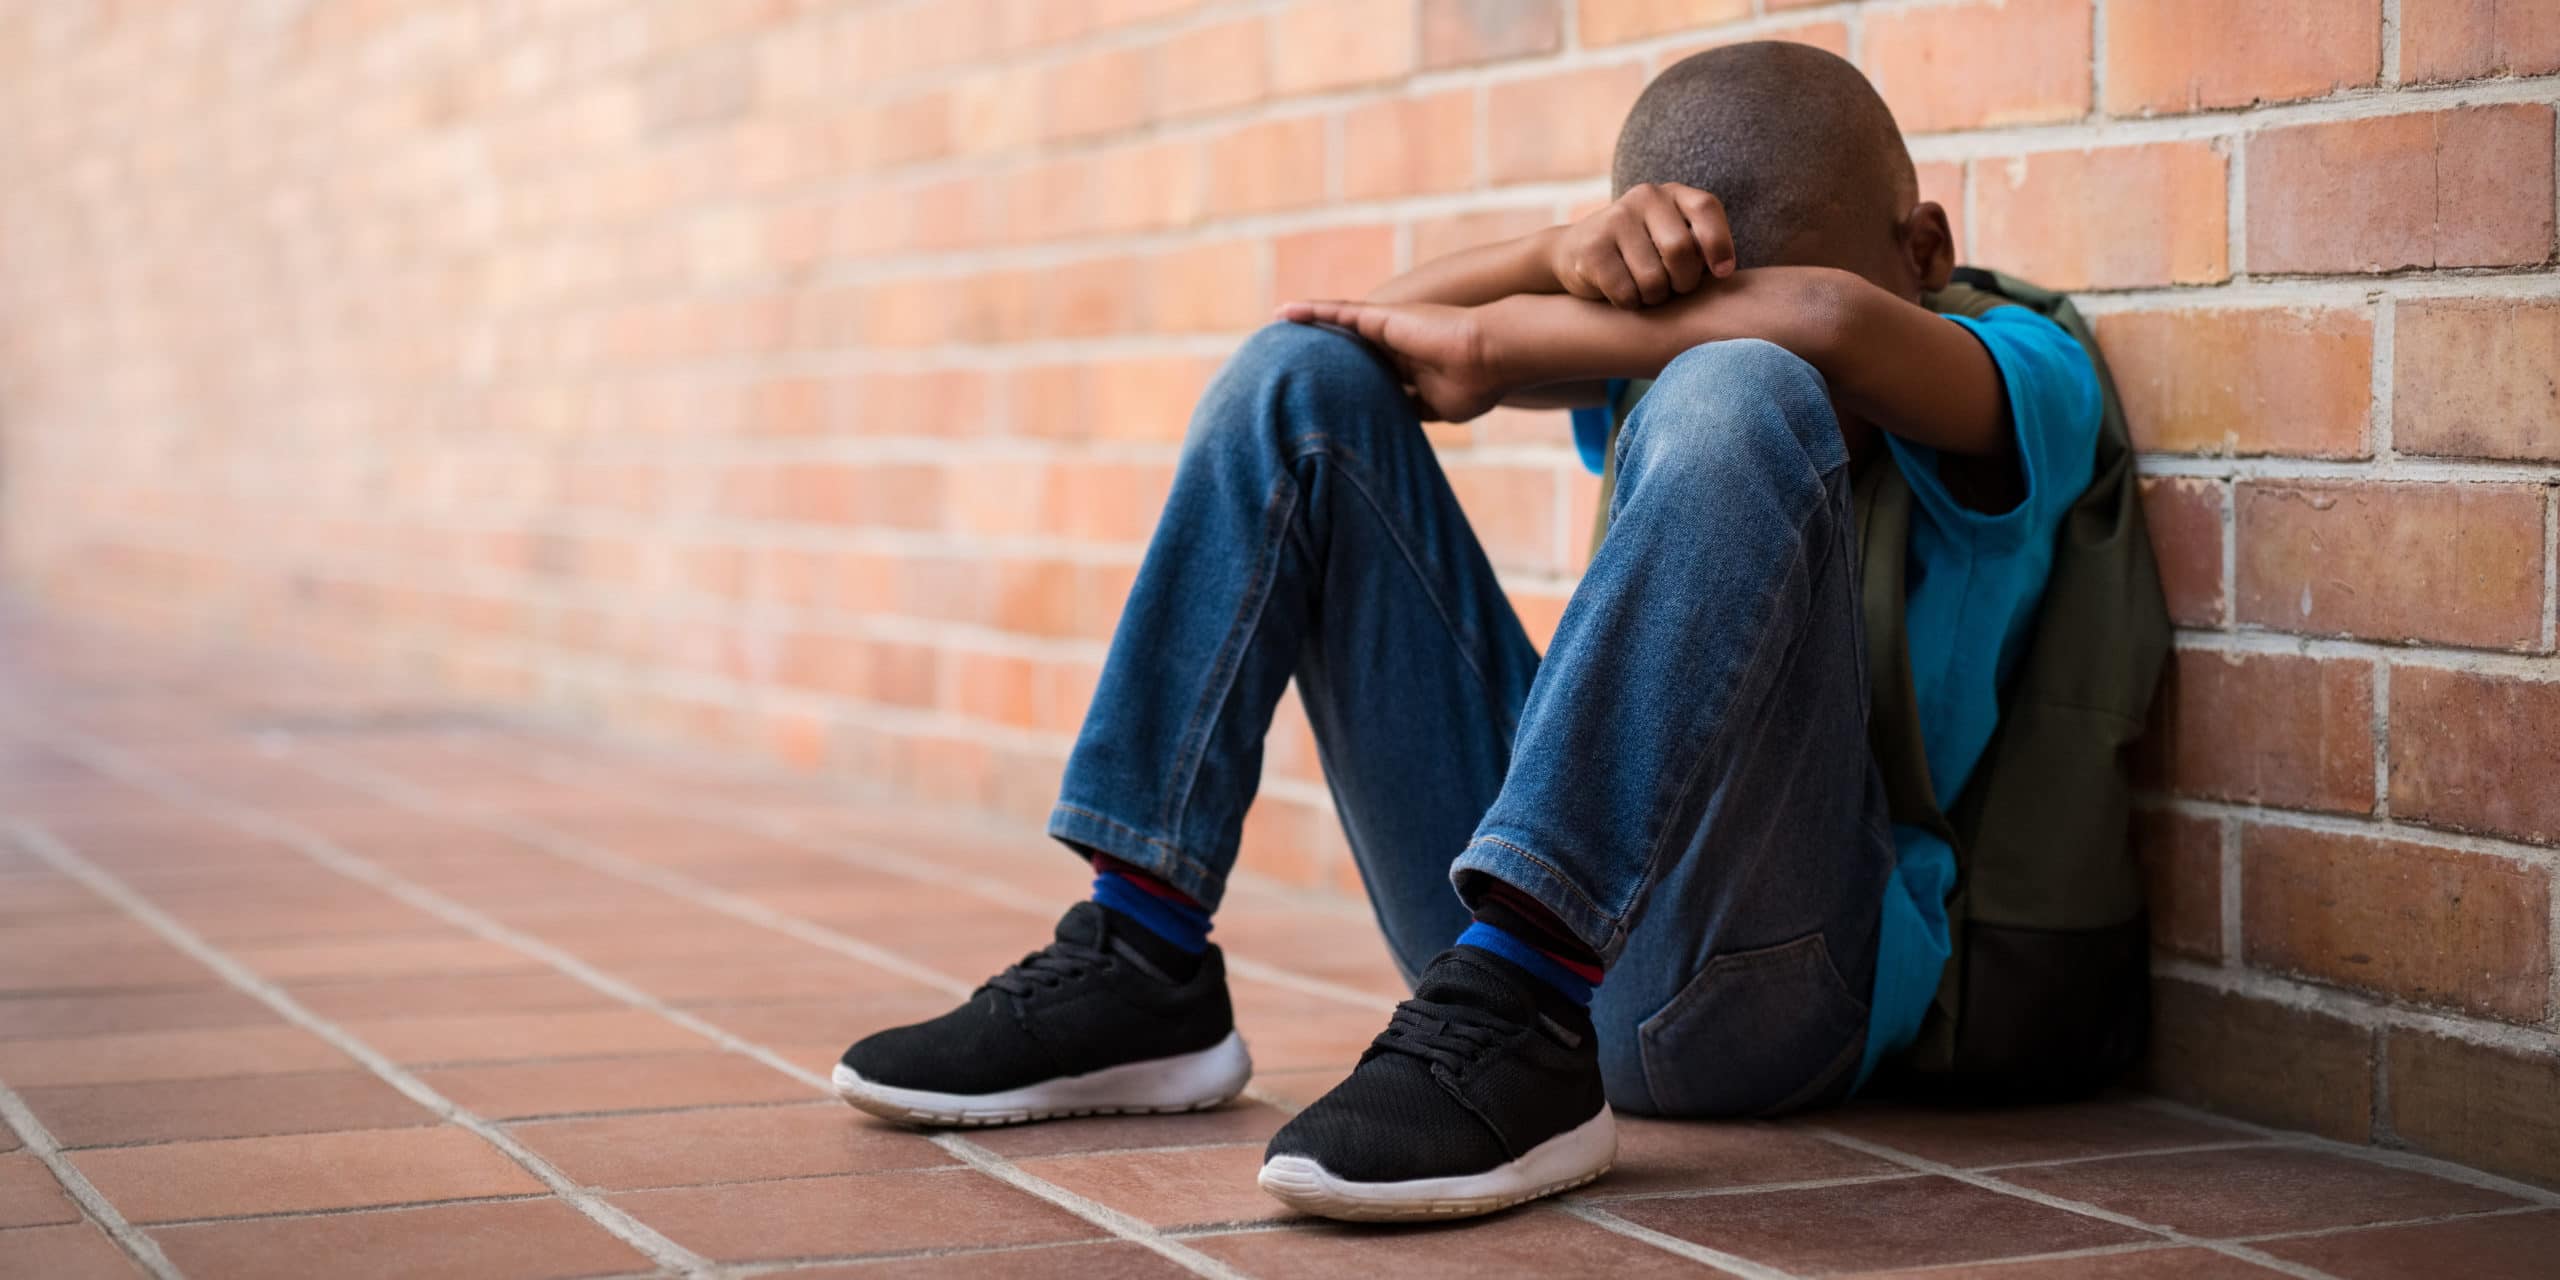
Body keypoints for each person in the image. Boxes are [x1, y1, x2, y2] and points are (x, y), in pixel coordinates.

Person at [831, 40, 2104, 1222]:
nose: (1687, 342)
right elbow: (1363, 329)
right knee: (1299, 381)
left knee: (1744, 387)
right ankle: (1143, 948)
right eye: (1681, 313)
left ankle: (1528, 1012)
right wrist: (1564, 251)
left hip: (1777, 989)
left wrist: (1504, 340)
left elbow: (1823, 324)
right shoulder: (1661, 353)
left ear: (1926, 246)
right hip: (1496, 954)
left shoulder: (2017, 369)